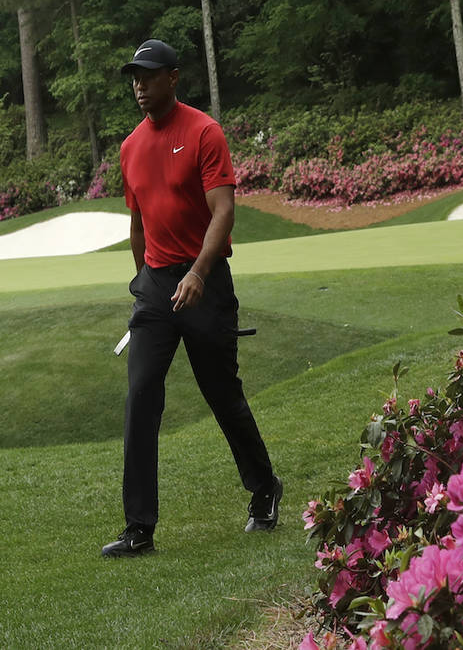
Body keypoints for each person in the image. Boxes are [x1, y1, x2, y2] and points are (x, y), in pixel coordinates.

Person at [101, 39, 282, 558]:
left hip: (206, 278)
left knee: (222, 394)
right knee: (140, 398)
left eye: (149, 75)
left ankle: (264, 489)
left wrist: (200, 272)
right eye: (134, 76)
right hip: (157, 285)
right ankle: (139, 528)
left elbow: (223, 211)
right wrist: (142, 282)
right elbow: (138, 221)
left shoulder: (204, 132)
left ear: (173, 78)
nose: (139, 85)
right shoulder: (131, 146)